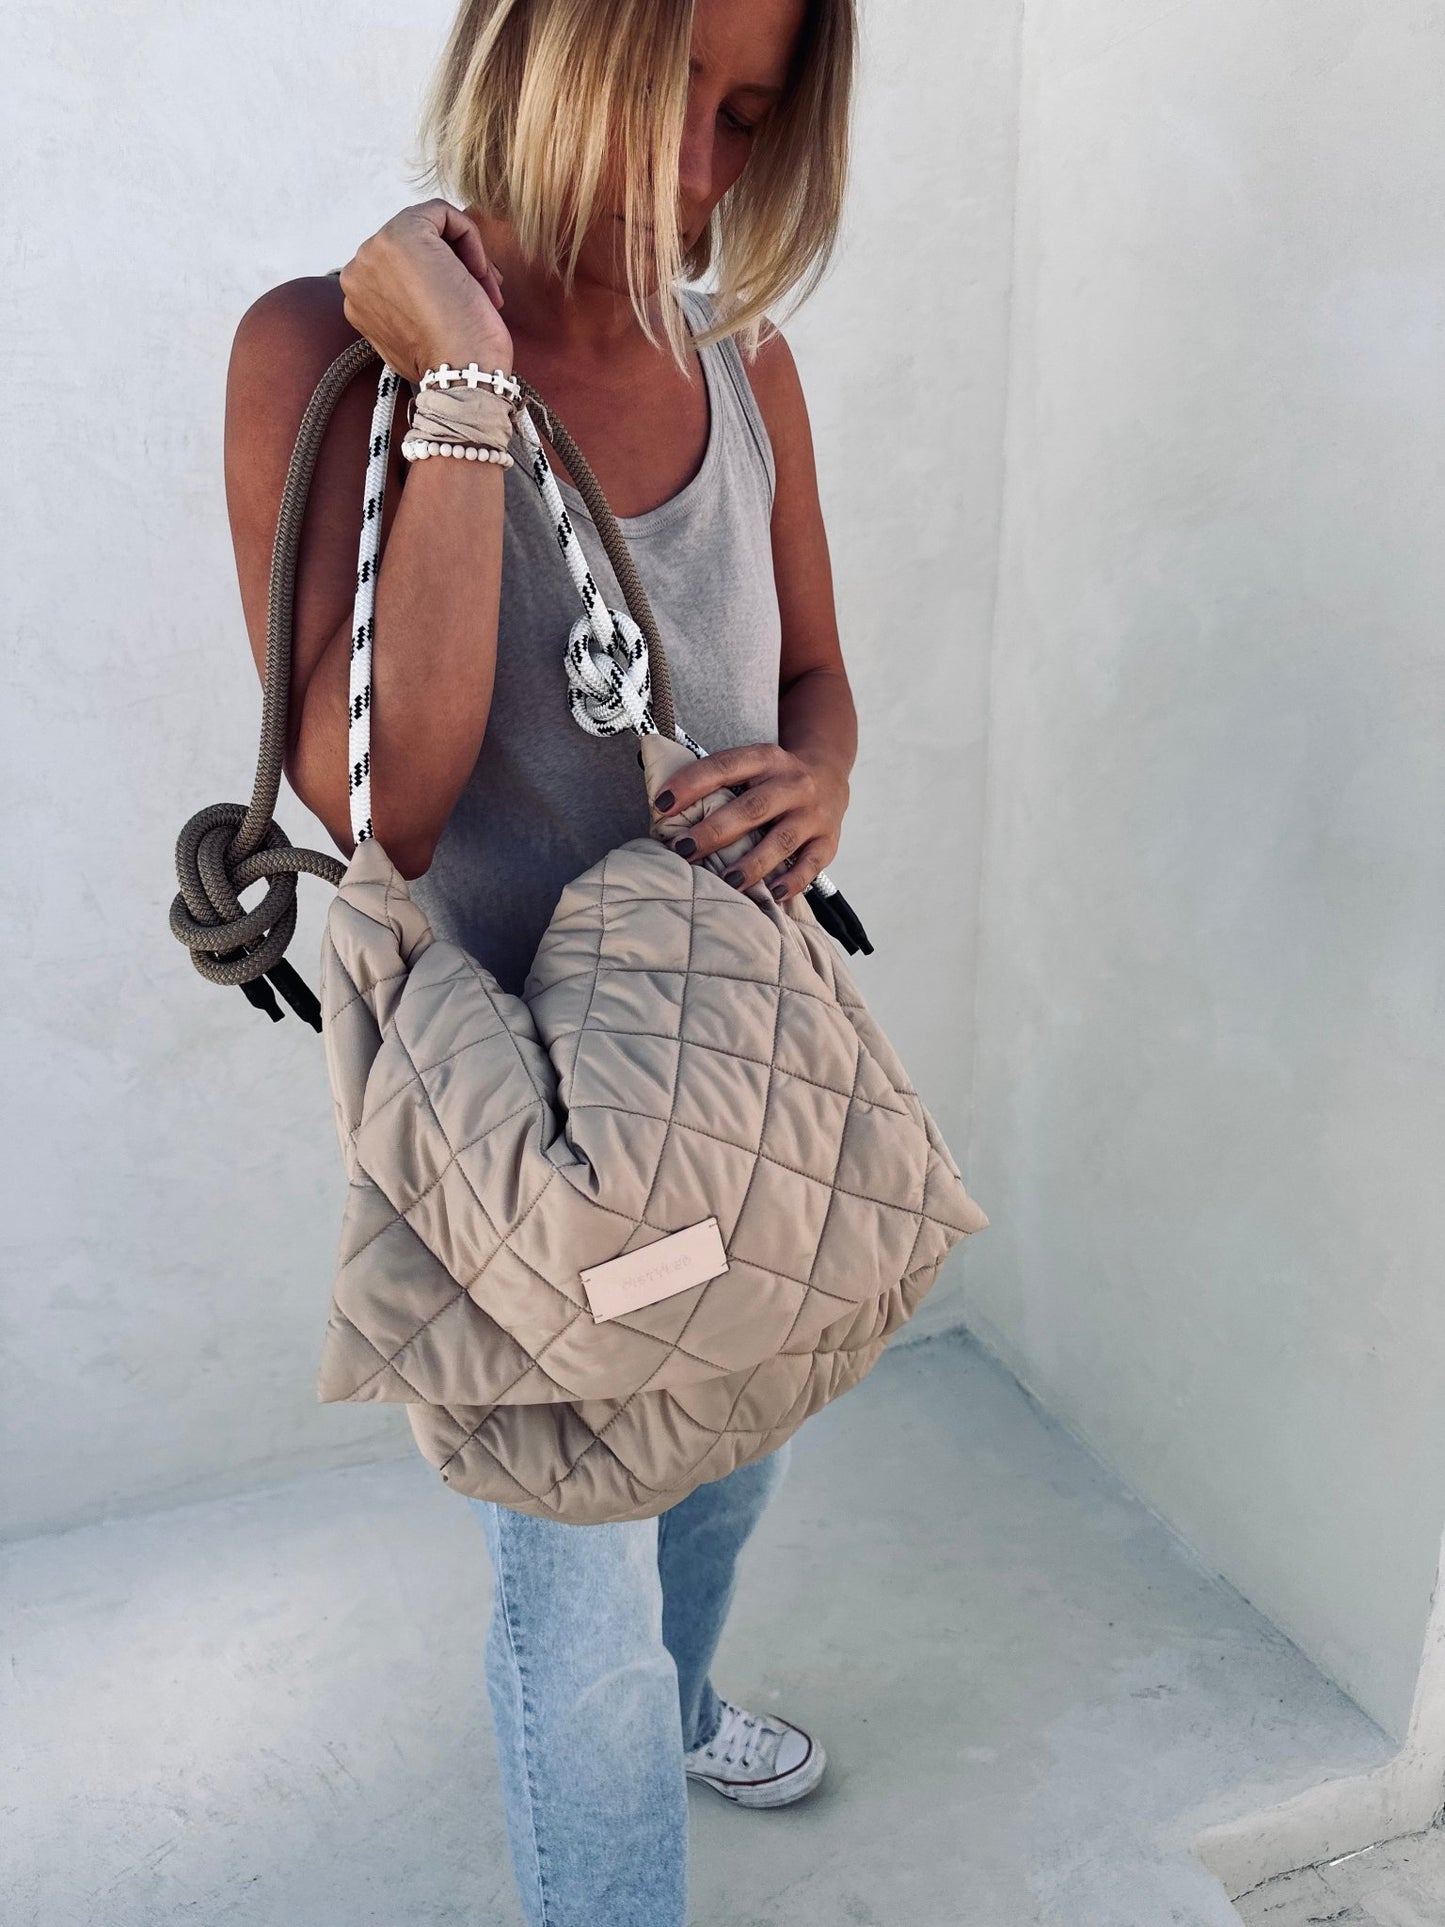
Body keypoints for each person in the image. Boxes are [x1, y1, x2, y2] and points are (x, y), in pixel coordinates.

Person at [223, 0, 859, 1918]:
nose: (698, 165)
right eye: (668, 86)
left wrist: (819, 781)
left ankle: (682, 1709)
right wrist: (468, 395)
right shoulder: (319, 356)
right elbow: (387, 800)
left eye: (751, 118)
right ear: (544, 38)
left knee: (732, 1446)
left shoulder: (739, 360)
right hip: (512, 1138)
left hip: (737, 1070)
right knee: (570, 1597)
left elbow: (815, 675)